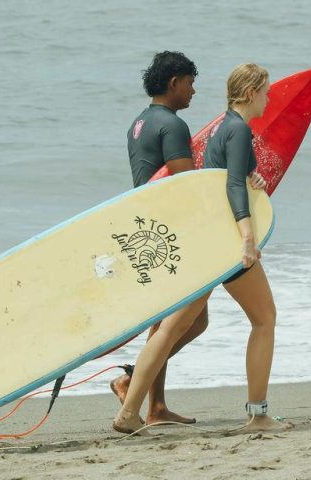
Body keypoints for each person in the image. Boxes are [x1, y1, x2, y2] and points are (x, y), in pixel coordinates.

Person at [113, 63, 283, 434]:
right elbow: (232, 186)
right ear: (252, 92)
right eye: (266, 92)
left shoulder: (223, 126)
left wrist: (252, 175)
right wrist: (247, 237)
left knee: (170, 330)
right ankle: (257, 415)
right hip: (226, 244)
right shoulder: (238, 130)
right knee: (264, 319)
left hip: (204, 242)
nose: (269, 100)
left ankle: (129, 411)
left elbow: (221, 176)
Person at [110, 51, 208, 426]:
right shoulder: (173, 125)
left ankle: (155, 404)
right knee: (177, 322)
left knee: (190, 321)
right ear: (174, 83)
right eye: (190, 83)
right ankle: (136, 387)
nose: (193, 91)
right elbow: (186, 186)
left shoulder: (139, 122)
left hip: (148, 227)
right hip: (172, 231)